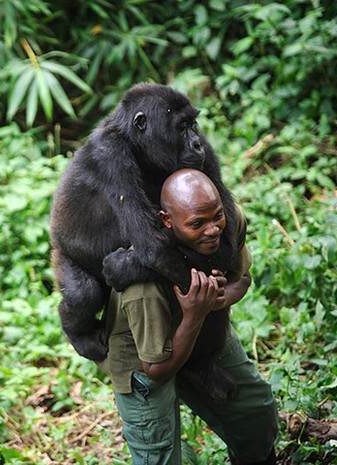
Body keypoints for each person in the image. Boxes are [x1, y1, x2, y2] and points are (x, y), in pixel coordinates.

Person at [98, 169, 278, 465]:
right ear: (166, 222)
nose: (212, 230)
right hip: (143, 354)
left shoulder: (228, 221)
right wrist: (194, 314)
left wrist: (219, 299)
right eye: (197, 224)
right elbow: (157, 371)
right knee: (161, 455)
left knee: (254, 412)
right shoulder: (142, 284)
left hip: (204, 325)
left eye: (216, 216)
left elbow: (242, 279)